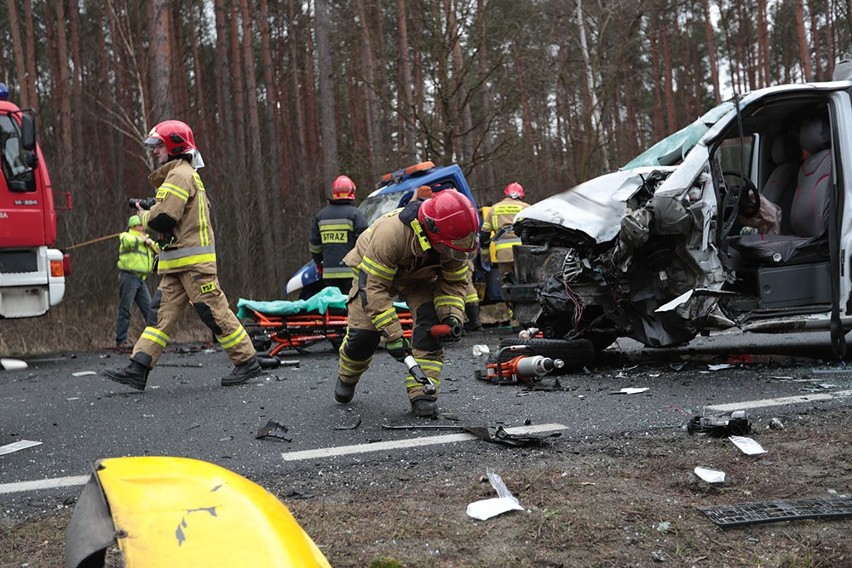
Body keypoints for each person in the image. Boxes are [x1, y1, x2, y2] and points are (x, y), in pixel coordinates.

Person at [103, 120, 261, 390]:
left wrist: (143, 213)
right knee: (159, 316)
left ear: (174, 146)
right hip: (177, 264)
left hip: (193, 265)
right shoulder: (178, 175)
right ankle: (138, 366)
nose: (155, 151)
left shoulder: (180, 175)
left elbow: (164, 219)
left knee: (213, 312)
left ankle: (247, 362)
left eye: (159, 146)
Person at [333, 188, 479, 417]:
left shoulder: (454, 244)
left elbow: (453, 285)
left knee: (430, 329)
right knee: (364, 337)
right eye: (452, 246)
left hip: (418, 279)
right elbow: (374, 289)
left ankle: (423, 392)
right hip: (374, 276)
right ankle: (347, 376)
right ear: (432, 231)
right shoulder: (390, 234)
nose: (456, 251)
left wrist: (451, 316)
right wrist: (393, 336)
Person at [308, 175, 368, 295]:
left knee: (335, 307)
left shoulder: (320, 216)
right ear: (351, 192)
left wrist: (318, 263)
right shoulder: (355, 215)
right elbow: (365, 242)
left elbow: (314, 246)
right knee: (351, 306)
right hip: (352, 272)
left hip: (329, 273)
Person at [115, 215, 158, 351]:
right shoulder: (126, 236)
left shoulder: (146, 239)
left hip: (141, 279)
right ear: (133, 227)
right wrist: (142, 240)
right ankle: (121, 341)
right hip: (129, 277)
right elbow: (128, 242)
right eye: (140, 225)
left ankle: (155, 340)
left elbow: (157, 249)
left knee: (149, 309)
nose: (143, 228)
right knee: (125, 309)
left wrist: (150, 243)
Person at [481, 182, 530, 279]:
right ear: (521, 195)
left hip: (503, 255)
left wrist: (485, 257)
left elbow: (484, 237)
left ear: (506, 194)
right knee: (525, 283)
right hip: (523, 254)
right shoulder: (527, 208)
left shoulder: (493, 209)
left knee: (507, 284)